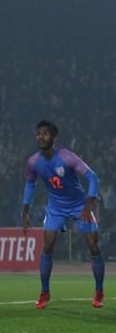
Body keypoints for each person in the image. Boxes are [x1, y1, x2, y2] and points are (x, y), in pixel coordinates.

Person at [21, 120, 104, 309]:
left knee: (93, 246)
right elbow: (30, 184)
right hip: (56, 208)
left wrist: (88, 203)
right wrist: (24, 212)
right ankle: (45, 292)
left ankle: (99, 291)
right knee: (48, 245)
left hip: (79, 206)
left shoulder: (67, 157)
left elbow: (93, 177)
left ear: (54, 138)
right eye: (38, 133)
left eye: (45, 133)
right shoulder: (33, 162)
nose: (40, 137)